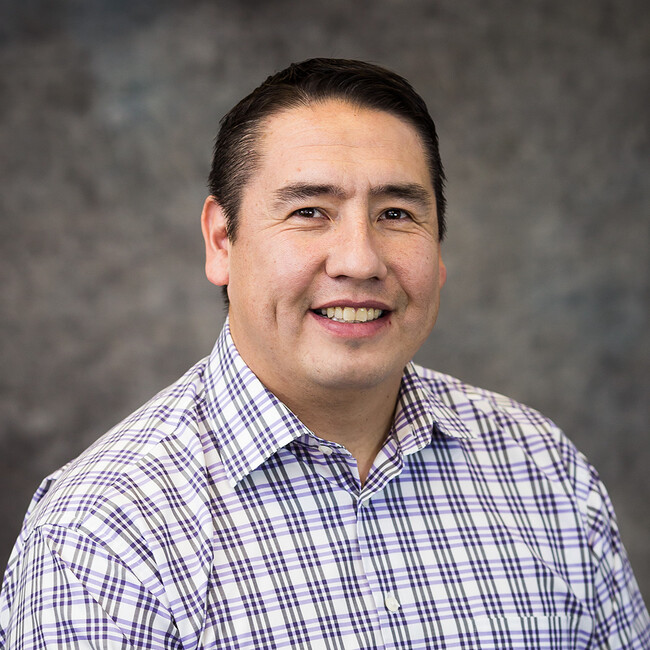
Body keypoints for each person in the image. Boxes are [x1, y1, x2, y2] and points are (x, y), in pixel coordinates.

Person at [0, 58, 648, 649]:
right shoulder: (100, 540)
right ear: (223, 241)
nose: (361, 262)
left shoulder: (544, 472)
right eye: (311, 211)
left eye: (397, 214)